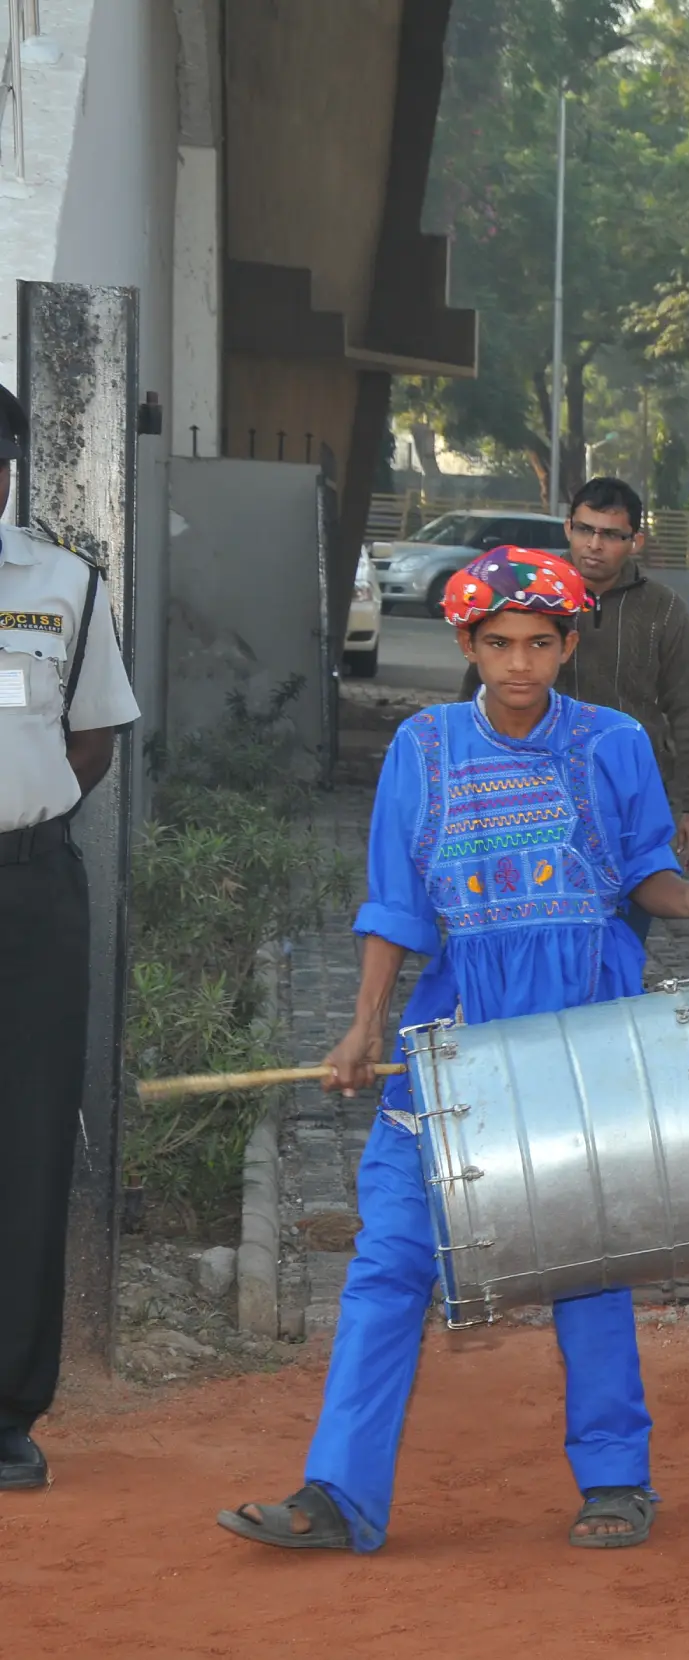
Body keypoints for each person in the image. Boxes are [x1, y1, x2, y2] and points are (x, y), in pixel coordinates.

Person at [218, 548, 689, 1552]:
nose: (519, 666)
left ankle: (615, 1477)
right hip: (459, 1026)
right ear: (466, 645)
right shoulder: (421, 749)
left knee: (586, 1251)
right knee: (387, 1252)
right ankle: (339, 1493)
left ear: (568, 644)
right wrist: (366, 1020)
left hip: (581, 1023)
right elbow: (395, 903)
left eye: (540, 645)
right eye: (498, 645)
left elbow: (645, 871)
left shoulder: (615, 744)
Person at [0, 382, 142, 1495]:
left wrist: (28, 807)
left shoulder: (61, 586)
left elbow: (90, 737)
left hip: (27, 892)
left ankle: (8, 1406)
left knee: (30, 1136)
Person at [460, 476, 689, 885]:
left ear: (636, 541)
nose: (595, 545)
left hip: (629, 797)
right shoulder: (524, 596)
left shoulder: (663, 609)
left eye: (612, 534)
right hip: (531, 792)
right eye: (585, 530)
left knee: (625, 920)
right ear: (568, 528)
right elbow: (477, 694)